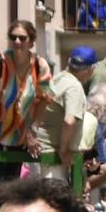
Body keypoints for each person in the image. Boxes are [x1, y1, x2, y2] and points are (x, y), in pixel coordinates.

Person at [0, 20, 54, 191]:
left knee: (13, 186)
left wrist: (33, 131)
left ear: (31, 42)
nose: (17, 42)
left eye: (22, 38)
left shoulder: (40, 65)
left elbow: (45, 99)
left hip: (21, 135)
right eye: (13, 37)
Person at [36, 46, 96, 182]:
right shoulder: (74, 87)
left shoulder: (57, 78)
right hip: (52, 156)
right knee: (54, 201)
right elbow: (69, 121)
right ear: (91, 68)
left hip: (38, 150)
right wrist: (63, 150)